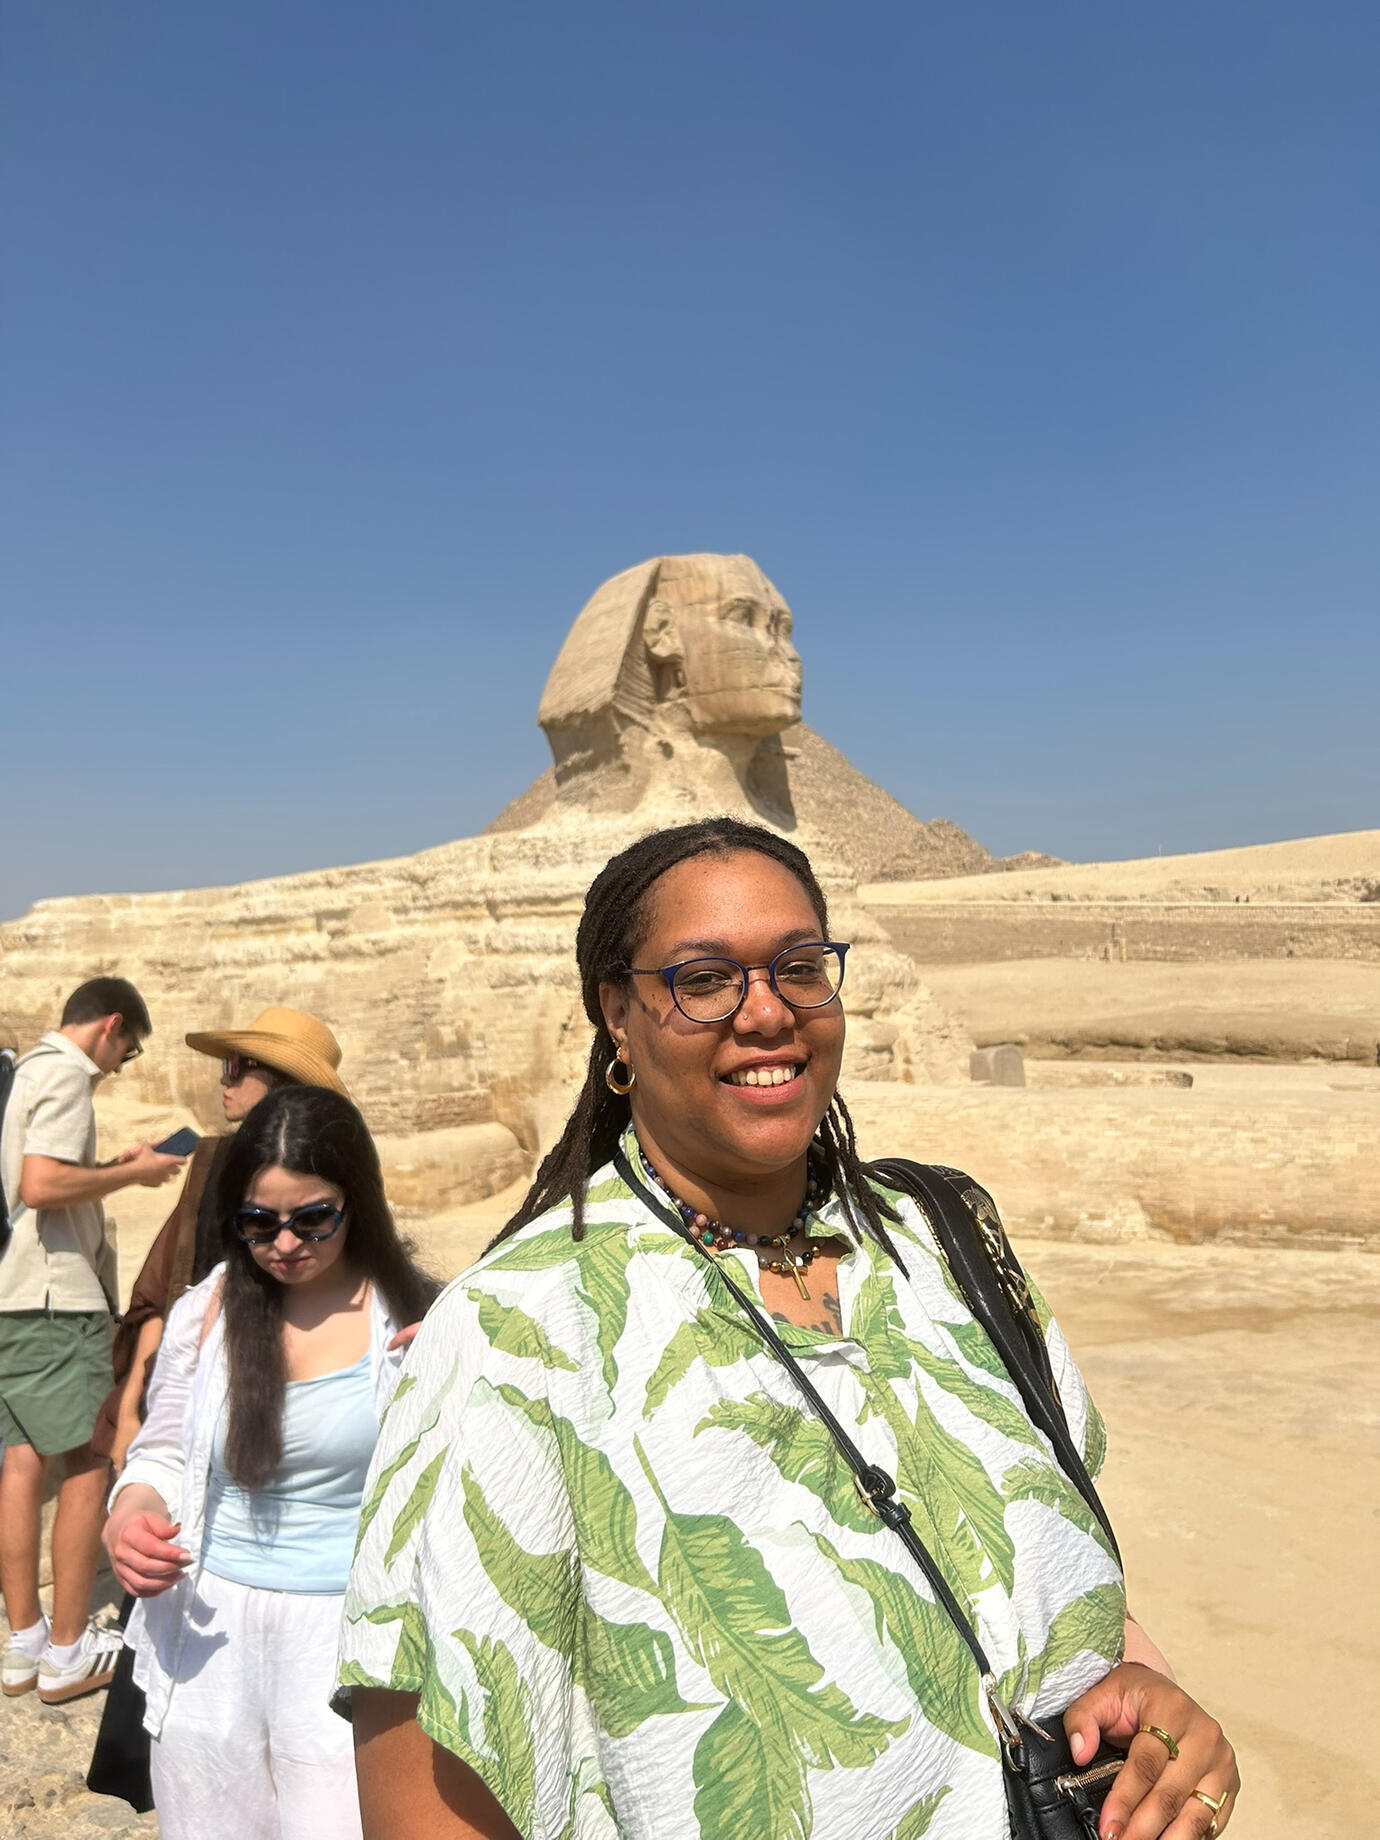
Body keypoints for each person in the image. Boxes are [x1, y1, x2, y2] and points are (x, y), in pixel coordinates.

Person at [340, 817, 1240, 1840]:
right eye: (705, 978)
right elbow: (433, 1794)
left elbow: (1038, 1593)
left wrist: (1160, 1716)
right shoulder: (511, 1336)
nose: (766, 1011)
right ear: (619, 1015)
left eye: (800, 966)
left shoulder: (946, 1244)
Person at [102, 1084, 435, 1840]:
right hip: (210, 1639)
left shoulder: (419, 1323)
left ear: (359, 1204)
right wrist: (130, 1513)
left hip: (347, 1642)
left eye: (313, 1219)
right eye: (258, 1223)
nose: (285, 1244)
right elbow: (161, 1449)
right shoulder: (208, 1311)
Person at [0, 977, 185, 1705]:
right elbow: (42, 1186)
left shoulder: (23, 1075)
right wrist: (137, 1173)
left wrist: (111, 1169)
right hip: (56, 1298)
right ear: (111, 1026)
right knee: (86, 1462)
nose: (120, 1067)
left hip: (12, 1295)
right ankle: (70, 1652)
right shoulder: (69, 1078)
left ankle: (23, 1645)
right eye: (129, 1052)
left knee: (18, 1463)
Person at [92, 1006, 350, 1468]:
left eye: (234, 1067)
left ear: (284, 1082)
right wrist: (134, 1406)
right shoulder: (213, 1164)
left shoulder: (334, 1183)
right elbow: (163, 1292)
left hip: (305, 1399)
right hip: (195, 1392)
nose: (222, 1082)